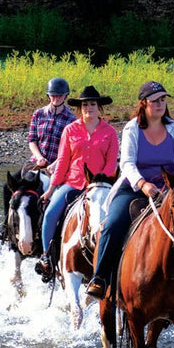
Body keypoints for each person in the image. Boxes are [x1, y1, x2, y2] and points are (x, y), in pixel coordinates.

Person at [86, 81, 174, 301]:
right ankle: (100, 278)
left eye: (163, 99)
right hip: (135, 187)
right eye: (155, 100)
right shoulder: (132, 128)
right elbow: (127, 163)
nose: (160, 104)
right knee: (113, 224)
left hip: (171, 187)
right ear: (143, 103)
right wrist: (143, 184)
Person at [34, 86, 118, 277]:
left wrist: (97, 182)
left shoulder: (110, 132)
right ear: (80, 108)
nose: (89, 107)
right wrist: (51, 189)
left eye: (93, 104)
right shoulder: (70, 130)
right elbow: (63, 161)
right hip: (73, 183)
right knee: (50, 213)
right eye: (85, 104)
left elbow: (111, 164)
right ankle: (46, 256)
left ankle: (115, 257)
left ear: (99, 107)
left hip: (100, 187)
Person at [0, 77, 77, 241]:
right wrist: (39, 158)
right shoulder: (38, 114)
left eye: (60, 95)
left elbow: (70, 149)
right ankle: (5, 225)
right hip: (36, 164)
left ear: (65, 96)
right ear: (48, 95)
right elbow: (32, 140)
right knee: (7, 187)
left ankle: (58, 232)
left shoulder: (72, 120)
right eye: (53, 95)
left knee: (60, 197)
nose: (56, 98)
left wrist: (53, 164)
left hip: (58, 165)